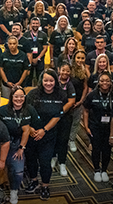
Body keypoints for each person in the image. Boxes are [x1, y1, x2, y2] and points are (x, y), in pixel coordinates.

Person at [24, 69, 73, 200]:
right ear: (41, 81)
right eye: (45, 80)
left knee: (45, 162)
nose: (48, 83)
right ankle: (34, 180)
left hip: (49, 135)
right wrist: (31, 129)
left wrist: (44, 130)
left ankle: (45, 186)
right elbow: (25, 113)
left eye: (51, 80)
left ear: (55, 81)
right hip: (31, 133)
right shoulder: (33, 94)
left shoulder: (61, 95)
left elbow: (58, 116)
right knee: (31, 160)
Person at [0, 86, 35, 204]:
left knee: (18, 171)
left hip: (17, 145)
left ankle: (14, 191)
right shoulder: (3, 110)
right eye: (16, 96)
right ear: (11, 97)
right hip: (1, 145)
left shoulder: (28, 110)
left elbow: (27, 130)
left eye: (21, 96)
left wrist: (21, 148)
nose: (19, 99)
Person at [83, 71, 113, 183]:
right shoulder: (92, 95)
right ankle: (96, 170)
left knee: (107, 149)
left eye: (107, 81)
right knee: (96, 149)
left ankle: (104, 170)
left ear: (111, 82)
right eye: (102, 81)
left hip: (110, 128)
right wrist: (86, 126)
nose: (105, 83)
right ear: (98, 82)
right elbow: (85, 110)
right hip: (95, 126)